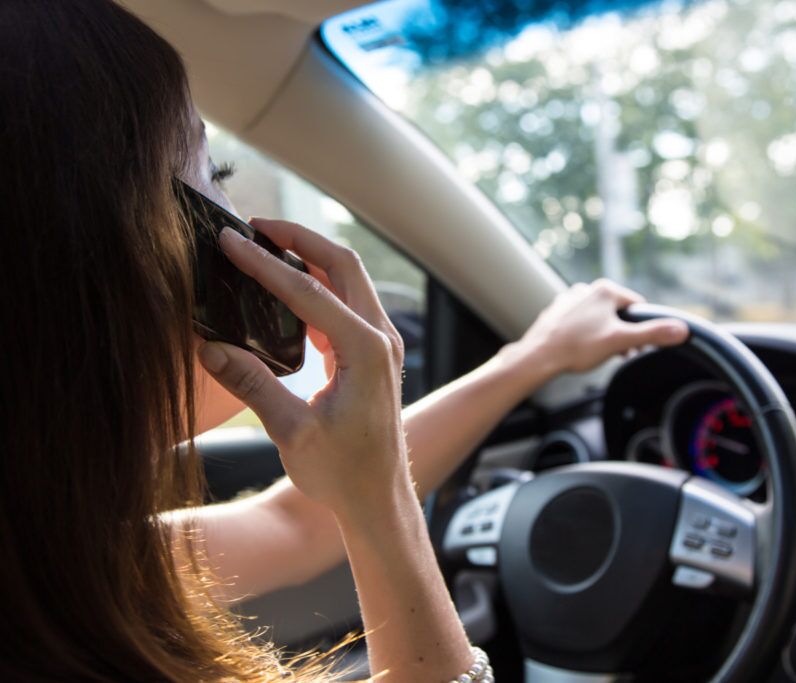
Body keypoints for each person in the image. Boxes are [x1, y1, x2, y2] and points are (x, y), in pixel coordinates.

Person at [0, 0, 689, 680]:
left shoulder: (57, 561)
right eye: (214, 182)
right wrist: (384, 501)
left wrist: (532, 359)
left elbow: (296, 525)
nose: (247, 231)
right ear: (88, 264)